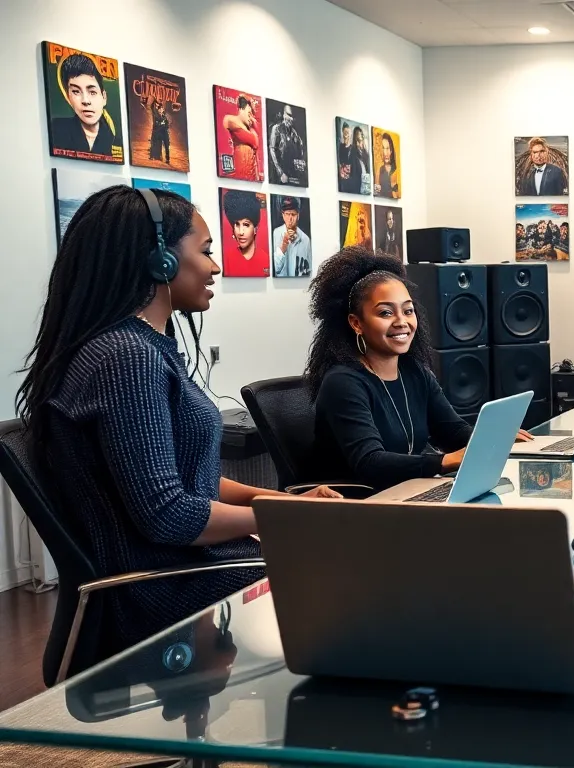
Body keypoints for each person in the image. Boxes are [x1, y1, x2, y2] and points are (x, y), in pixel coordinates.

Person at [15, 186, 338, 649]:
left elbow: (191, 481)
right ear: (161, 261)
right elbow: (167, 515)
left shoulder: (137, 348)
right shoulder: (126, 358)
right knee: (360, 572)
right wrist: (286, 516)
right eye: (205, 251)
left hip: (188, 567)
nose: (215, 266)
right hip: (165, 589)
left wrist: (290, 501)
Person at [306, 249, 531, 491]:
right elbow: (370, 463)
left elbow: (451, 430)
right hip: (357, 506)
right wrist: (444, 461)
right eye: (385, 312)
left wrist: (495, 436)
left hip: (406, 491)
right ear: (356, 323)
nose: (401, 321)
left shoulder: (414, 370)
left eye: (408, 310)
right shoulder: (343, 382)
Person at [48, 52, 117, 157]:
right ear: (68, 97)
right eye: (76, 91)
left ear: (104, 97)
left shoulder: (115, 140)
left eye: (92, 92)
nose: (85, 101)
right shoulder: (56, 129)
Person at [220, 189, 268, 277]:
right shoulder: (226, 259)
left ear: (255, 228)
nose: (241, 232)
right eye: (237, 224)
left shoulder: (265, 259)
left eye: (246, 225)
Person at [221, 95, 261, 182]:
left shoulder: (249, 129)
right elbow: (254, 141)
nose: (251, 118)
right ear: (241, 109)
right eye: (249, 113)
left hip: (250, 177)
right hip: (238, 176)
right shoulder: (230, 120)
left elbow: (256, 142)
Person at [271, 196, 311, 278]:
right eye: (287, 214)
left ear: (298, 216)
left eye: (293, 214)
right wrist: (283, 246)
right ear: (283, 215)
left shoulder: (305, 239)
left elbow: (309, 270)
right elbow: (276, 269)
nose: (290, 218)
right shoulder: (276, 234)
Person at [269, 104, 306, 185]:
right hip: (280, 178)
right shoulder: (276, 128)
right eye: (289, 115)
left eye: (293, 117)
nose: (291, 119)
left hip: (292, 177)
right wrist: (280, 172)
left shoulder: (295, 134)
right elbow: (272, 149)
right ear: (284, 114)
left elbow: (300, 154)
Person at [337, 122, 363, 194]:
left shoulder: (353, 150)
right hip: (345, 183)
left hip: (352, 184)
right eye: (345, 133)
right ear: (342, 132)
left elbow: (357, 172)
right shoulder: (340, 147)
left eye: (348, 133)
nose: (346, 135)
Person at [146, 97, 172, 164]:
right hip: (158, 133)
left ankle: (167, 159)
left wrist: (164, 125)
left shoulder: (164, 117)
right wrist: (154, 100)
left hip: (164, 134)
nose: (161, 110)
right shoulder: (156, 115)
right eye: (160, 109)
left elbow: (167, 125)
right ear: (158, 110)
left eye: (162, 109)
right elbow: (152, 108)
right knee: (154, 143)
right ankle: (152, 156)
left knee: (166, 146)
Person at [375, 132, 398, 198]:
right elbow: (376, 192)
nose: (385, 153)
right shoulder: (379, 169)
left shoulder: (395, 169)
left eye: (387, 148)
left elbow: (395, 193)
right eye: (383, 148)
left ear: (391, 151)